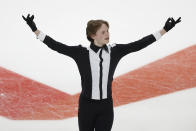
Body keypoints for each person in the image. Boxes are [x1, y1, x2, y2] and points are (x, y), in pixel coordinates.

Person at [22, 14, 181, 131]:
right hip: (86, 107)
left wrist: (164, 30)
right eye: (103, 32)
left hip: (106, 106)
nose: (107, 34)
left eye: (107, 31)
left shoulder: (115, 51)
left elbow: (138, 44)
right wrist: (35, 30)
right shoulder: (81, 53)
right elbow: (57, 46)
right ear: (93, 36)